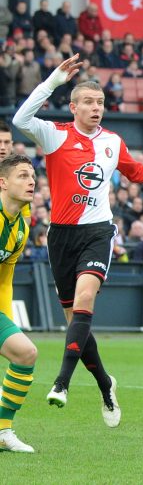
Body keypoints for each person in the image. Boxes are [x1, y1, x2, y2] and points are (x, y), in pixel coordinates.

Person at [12, 54, 143, 426]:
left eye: (100, 102)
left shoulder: (113, 142)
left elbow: (138, 172)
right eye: (88, 102)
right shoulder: (55, 135)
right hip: (61, 237)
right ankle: (105, 385)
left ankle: (62, 382)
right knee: (76, 324)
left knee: (86, 300)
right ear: (73, 107)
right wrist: (53, 80)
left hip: (98, 231)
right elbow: (20, 120)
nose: (96, 108)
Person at [0, 155, 38, 452]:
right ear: (3, 182)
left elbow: (5, 279)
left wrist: (7, 320)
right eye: (23, 176)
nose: (31, 181)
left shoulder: (21, 230)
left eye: (33, 176)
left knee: (25, 352)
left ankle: (3, 430)